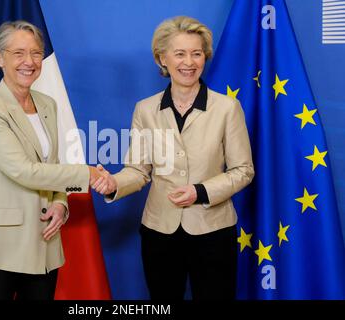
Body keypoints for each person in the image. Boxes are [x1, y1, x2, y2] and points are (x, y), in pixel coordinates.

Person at [92, 16, 254, 300]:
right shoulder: (145, 109)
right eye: (179, 54)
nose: (188, 62)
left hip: (213, 230)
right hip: (159, 231)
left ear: (205, 57)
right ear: (162, 59)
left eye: (196, 53)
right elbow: (138, 170)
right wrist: (113, 184)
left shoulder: (227, 108)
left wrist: (200, 192)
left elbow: (243, 170)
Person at [0, 20, 103, 300]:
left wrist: (61, 204)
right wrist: (87, 175)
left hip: (43, 244)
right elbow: (23, 170)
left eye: (36, 53)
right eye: (18, 53)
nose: (30, 61)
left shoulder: (47, 104)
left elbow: (53, 165)